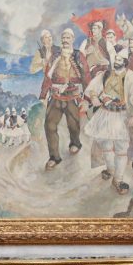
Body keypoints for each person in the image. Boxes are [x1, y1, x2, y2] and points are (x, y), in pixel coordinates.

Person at [83, 49, 133, 194]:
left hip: (123, 116)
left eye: (119, 59)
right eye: (116, 58)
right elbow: (93, 88)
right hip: (105, 114)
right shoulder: (106, 74)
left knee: (121, 149)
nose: (116, 61)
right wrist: (94, 97)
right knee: (106, 146)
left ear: (125, 62)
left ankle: (118, 180)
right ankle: (110, 169)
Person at [40, 28, 91, 170]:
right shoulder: (54, 56)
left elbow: (86, 76)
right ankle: (54, 157)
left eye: (68, 38)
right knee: (49, 125)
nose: (65, 40)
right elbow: (47, 76)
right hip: (56, 96)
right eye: (63, 38)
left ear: (73, 39)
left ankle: (75, 143)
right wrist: (43, 96)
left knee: (73, 125)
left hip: (73, 96)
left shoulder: (78, 56)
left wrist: (86, 98)